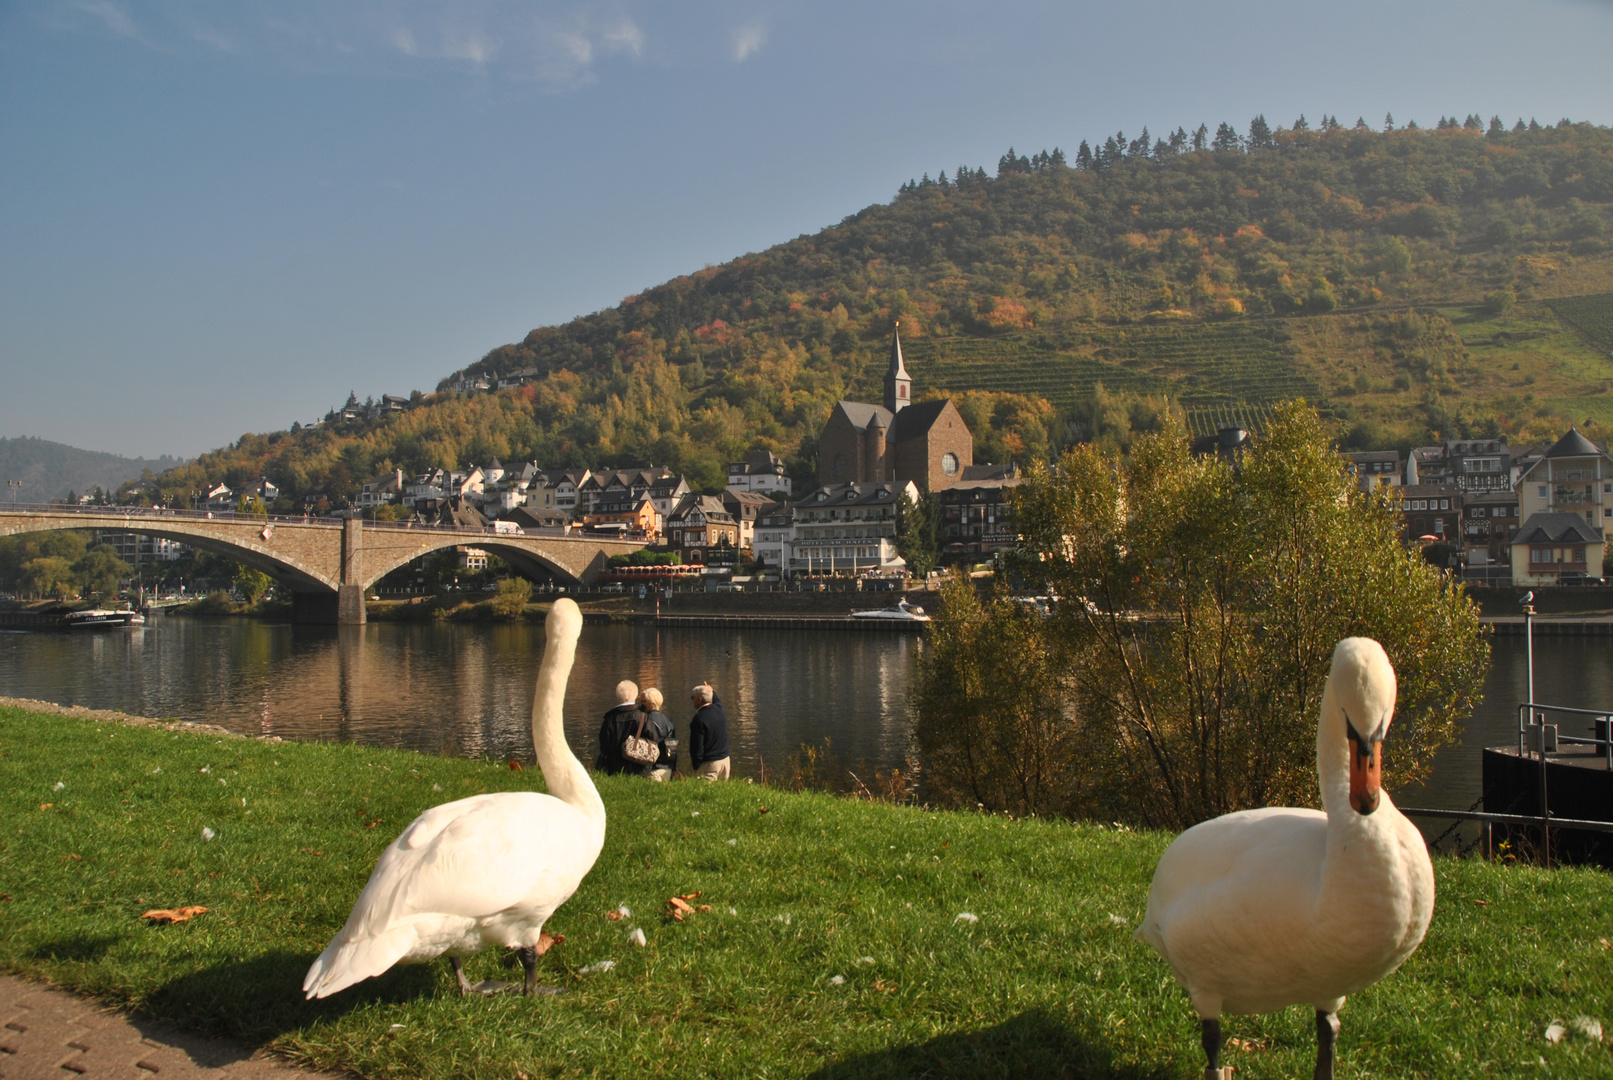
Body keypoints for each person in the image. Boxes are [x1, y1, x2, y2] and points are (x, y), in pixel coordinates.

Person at [596, 679, 642, 775]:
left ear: (617, 695)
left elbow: (604, 744)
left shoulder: (610, 718)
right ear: (636, 694)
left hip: (614, 766)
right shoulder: (642, 716)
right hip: (639, 766)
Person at [688, 683, 731, 781]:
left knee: (703, 795)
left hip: (710, 764)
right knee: (722, 793)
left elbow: (696, 747)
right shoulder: (719, 709)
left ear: (699, 700)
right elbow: (716, 699)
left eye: (692, 697)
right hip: (725, 760)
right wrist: (711, 691)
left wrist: (696, 767)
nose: (691, 700)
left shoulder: (699, 719)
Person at [637, 687, 676, 781]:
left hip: (651, 768)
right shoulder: (668, 721)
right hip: (667, 768)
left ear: (651, 704)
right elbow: (673, 747)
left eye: (643, 701)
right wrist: (673, 768)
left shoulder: (644, 720)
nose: (640, 704)